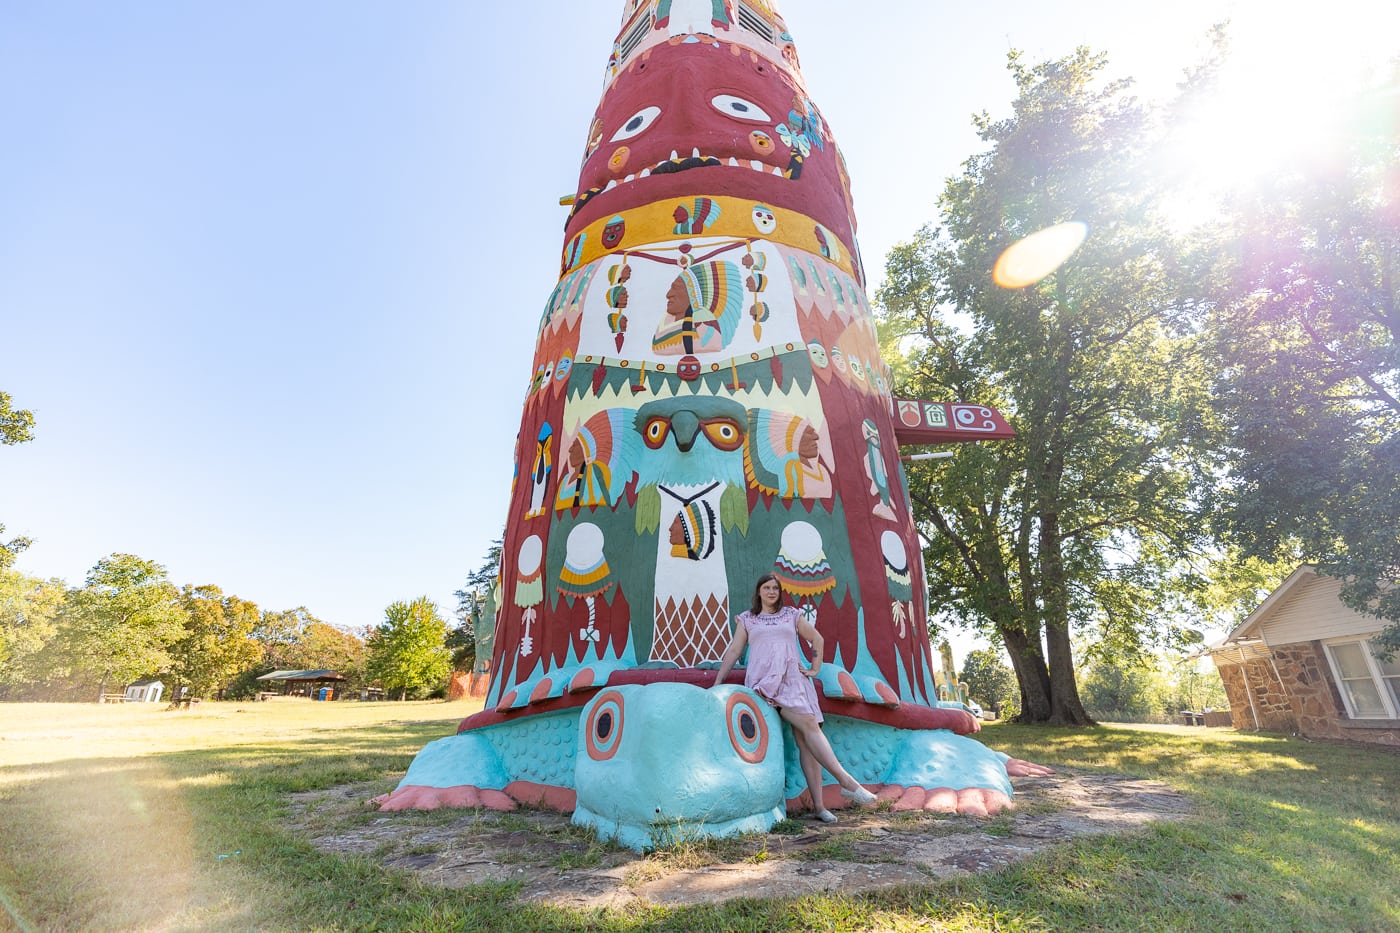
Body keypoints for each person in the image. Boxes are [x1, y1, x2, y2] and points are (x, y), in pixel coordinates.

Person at [711, 573, 878, 822]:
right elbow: (735, 649)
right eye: (766, 588)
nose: (771, 592)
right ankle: (847, 782)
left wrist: (815, 667)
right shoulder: (748, 619)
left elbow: (816, 638)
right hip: (765, 684)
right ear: (759, 592)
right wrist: (718, 681)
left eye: (775, 588)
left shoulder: (791, 615)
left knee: (806, 742)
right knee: (810, 727)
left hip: (792, 681)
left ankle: (820, 807)